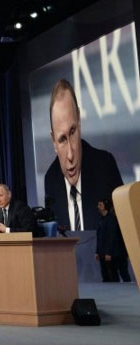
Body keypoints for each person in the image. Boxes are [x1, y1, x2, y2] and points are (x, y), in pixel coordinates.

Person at [44, 79, 124, 232]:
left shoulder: (105, 167)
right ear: (53, 141)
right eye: (62, 139)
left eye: (72, 132)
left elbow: (124, 235)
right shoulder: (51, 180)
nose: (70, 155)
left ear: (79, 121)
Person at [95, 199, 131, 282]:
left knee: (116, 274)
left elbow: (112, 237)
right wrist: (97, 251)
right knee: (105, 275)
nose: (98, 207)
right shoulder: (101, 219)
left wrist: (109, 253)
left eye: (100, 205)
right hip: (103, 252)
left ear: (106, 206)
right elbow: (99, 237)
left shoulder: (112, 219)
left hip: (114, 253)